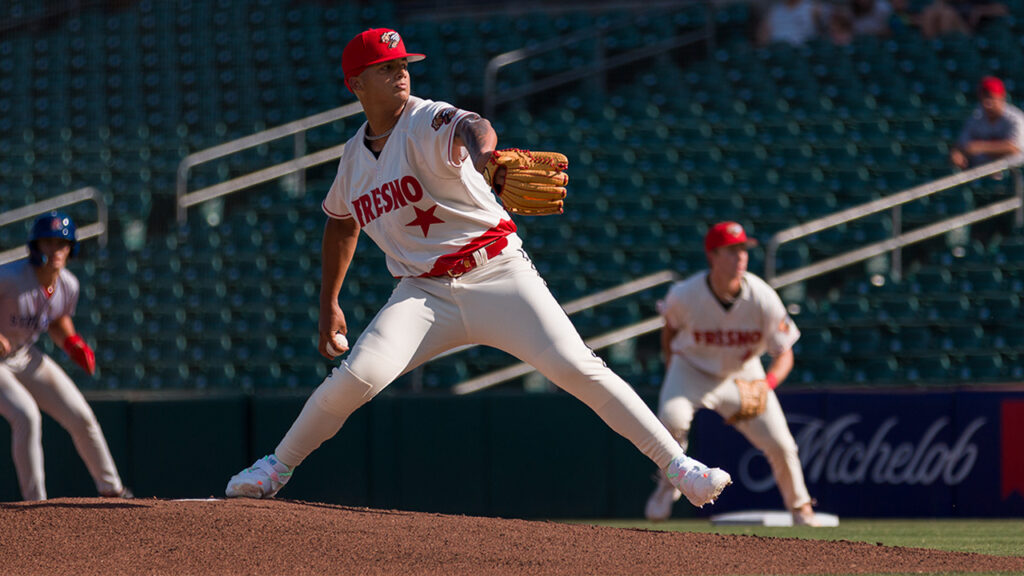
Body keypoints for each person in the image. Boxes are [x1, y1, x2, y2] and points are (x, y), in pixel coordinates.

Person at [225, 28, 732, 508]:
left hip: (497, 273)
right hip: (423, 294)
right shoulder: (353, 160)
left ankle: (679, 467)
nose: (400, 73)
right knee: (357, 376)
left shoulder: (426, 118)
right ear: (356, 84)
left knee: (578, 367)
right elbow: (341, 224)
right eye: (385, 67)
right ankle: (276, 467)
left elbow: (472, 126)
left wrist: (487, 156)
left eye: (403, 63)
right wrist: (328, 303)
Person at [643, 222, 820, 526]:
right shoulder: (685, 294)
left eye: (743, 250)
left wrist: (767, 384)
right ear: (712, 256)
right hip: (692, 369)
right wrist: (673, 368)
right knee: (671, 421)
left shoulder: (762, 297)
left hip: (743, 373)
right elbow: (669, 332)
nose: (741, 256)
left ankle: (801, 508)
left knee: (781, 444)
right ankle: (666, 485)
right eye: (732, 250)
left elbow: (785, 352)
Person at [0, 212, 129, 501]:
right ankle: (36, 503)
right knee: (26, 415)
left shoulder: (68, 285)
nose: (54, 250)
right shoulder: (9, 276)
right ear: (35, 245)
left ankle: (113, 490)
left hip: (22, 355)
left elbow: (57, 320)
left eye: (61, 243)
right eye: (48, 242)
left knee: (81, 416)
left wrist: (72, 343)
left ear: (72, 248)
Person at [950, 76, 1024, 171]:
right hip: (982, 175)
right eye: (983, 98)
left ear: (1002, 97)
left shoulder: (1015, 119)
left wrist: (980, 146)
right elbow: (962, 144)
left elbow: (1015, 148)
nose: (987, 103)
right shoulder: (976, 117)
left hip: (1013, 175)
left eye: (991, 98)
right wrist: (957, 153)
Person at [756, 0, 827, 47]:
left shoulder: (813, 8)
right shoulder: (774, 10)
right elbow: (762, 38)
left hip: (802, 54)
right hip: (777, 51)